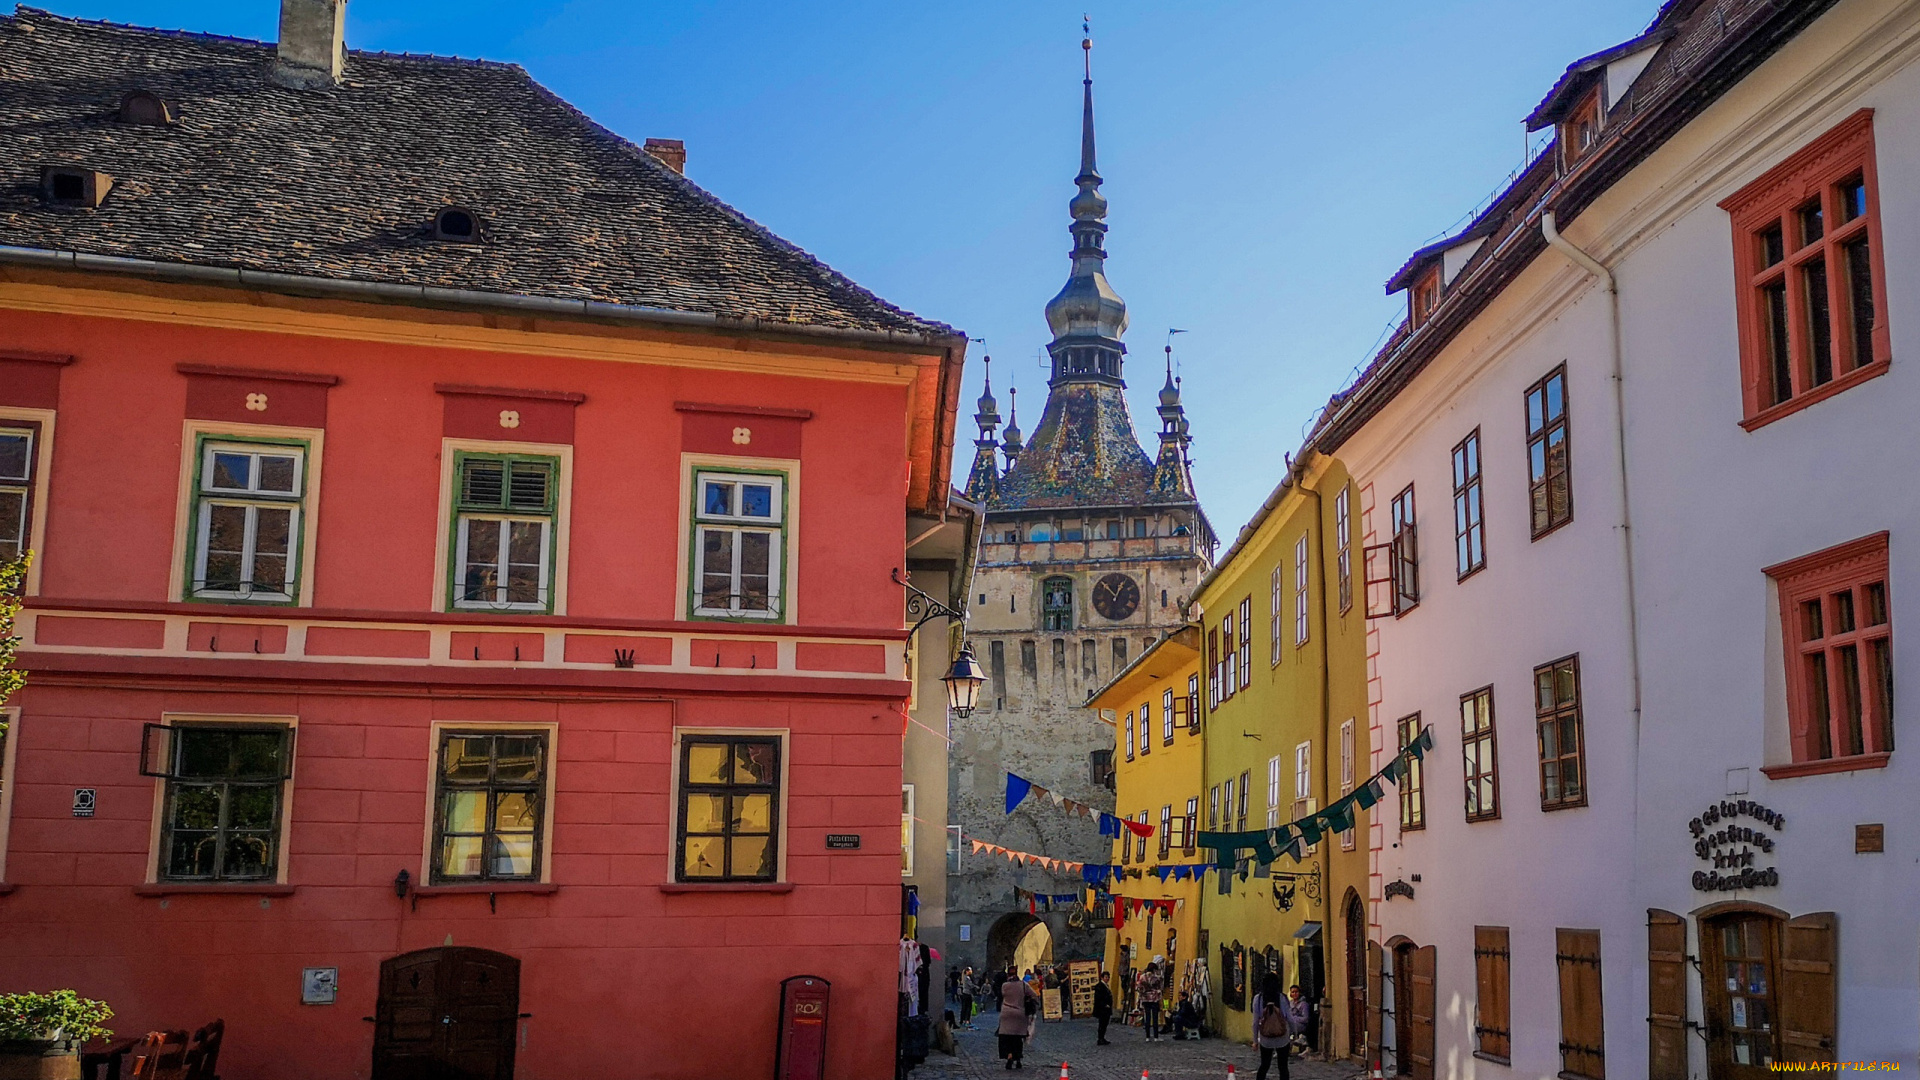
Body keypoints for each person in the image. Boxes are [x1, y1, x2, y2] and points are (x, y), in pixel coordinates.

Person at [1251, 973, 1293, 1080]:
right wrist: (1293, 1034)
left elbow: (1255, 1022)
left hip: (1266, 1038)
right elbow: (1290, 1018)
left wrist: (1255, 1040)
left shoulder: (1258, 999)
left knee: (1264, 1065)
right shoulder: (1282, 998)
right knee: (1283, 1067)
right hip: (1282, 1037)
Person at [997, 968, 1039, 1070]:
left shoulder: (1005, 986)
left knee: (1007, 1038)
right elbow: (1035, 995)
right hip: (1020, 1014)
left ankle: (1009, 1055)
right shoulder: (1024, 985)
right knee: (1017, 1038)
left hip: (1006, 1014)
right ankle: (1018, 1059)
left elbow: (1000, 996)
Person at [1139, 958, 1165, 1042]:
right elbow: (1160, 988)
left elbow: (1139, 988)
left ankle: (1147, 1036)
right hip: (1154, 999)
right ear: (1154, 969)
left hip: (1145, 999)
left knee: (1147, 1018)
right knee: (1155, 1018)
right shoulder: (1156, 978)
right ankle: (1156, 1037)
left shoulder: (1142, 977)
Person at [1091, 969, 1114, 1045]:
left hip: (1106, 1009)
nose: (1107, 978)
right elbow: (1098, 998)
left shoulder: (1105, 985)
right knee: (1102, 1024)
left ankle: (1102, 1038)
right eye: (1106, 977)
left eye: (1108, 977)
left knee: (1104, 1024)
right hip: (1102, 1009)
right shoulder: (1099, 986)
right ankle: (1100, 1038)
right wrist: (1105, 1004)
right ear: (1102, 978)